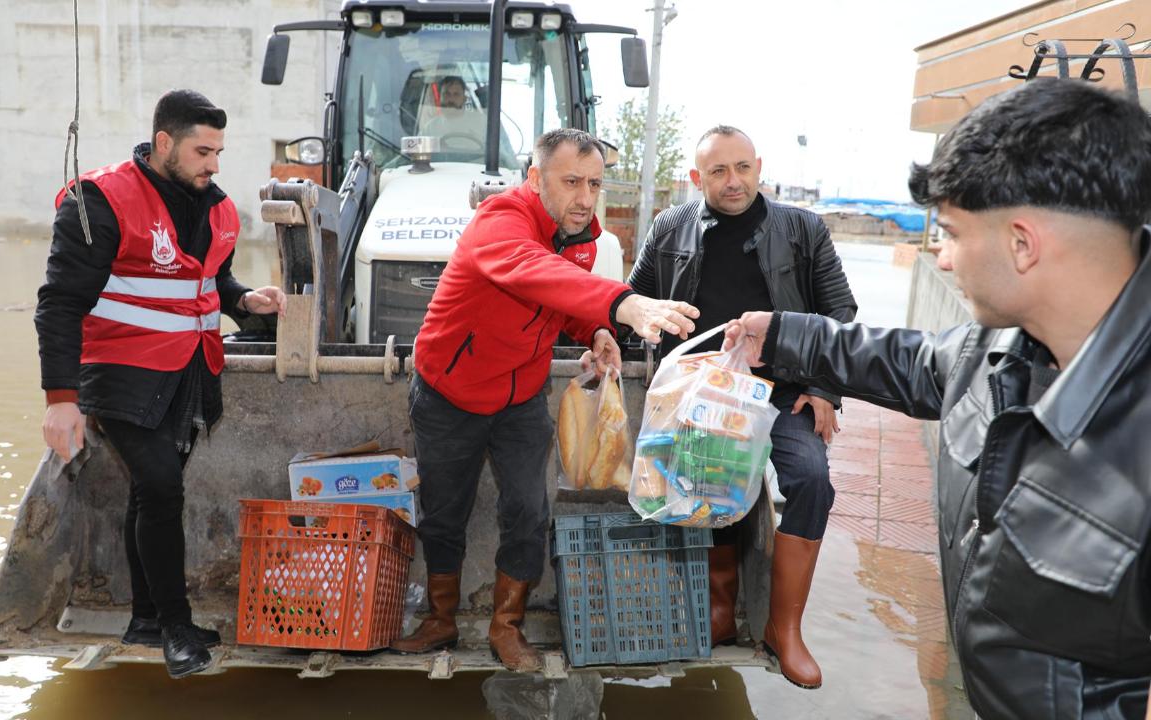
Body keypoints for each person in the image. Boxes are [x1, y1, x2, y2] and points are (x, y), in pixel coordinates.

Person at [722, 78, 1151, 719]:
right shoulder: (998, 346)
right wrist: (782, 332)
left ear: (1023, 243)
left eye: (949, 232)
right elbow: (911, 361)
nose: (941, 260)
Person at [391, 127, 700, 671]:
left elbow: (557, 298)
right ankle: (440, 620)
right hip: (450, 391)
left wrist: (596, 331)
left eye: (596, 184)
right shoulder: (500, 220)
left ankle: (506, 627)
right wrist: (624, 306)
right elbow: (532, 271)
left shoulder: (578, 237)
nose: (585, 198)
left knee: (529, 511)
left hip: (521, 396)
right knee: (442, 512)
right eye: (572, 181)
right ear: (535, 179)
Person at [35, 89, 286, 679]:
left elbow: (209, 282)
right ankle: (176, 627)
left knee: (152, 492)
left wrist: (244, 298)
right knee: (162, 485)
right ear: (165, 143)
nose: (214, 164)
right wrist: (61, 401)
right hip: (120, 374)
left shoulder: (215, 207)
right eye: (203, 150)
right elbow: (59, 305)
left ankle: (147, 619)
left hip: (188, 374)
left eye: (219, 151)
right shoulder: (100, 200)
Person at [627, 125, 856, 689]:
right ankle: (721, 608)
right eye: (718, 172)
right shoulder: (671, 227)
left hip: (783, 389)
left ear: (759, 166)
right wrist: (620, 343)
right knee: (708, 482)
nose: (733, 182)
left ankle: (786, 628)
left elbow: (841, 315)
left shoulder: (802, 228)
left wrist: (825, 391)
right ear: (695, 178)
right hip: (703, 391)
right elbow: (631, 301)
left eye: (742, 169)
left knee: (811, 480)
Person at [421, 75, 486, 152]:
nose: (451, 99)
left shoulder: (483, 122)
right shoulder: (430, 128)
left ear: (464, 98)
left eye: (456, 94)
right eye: (446, 94)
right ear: (440, 97)